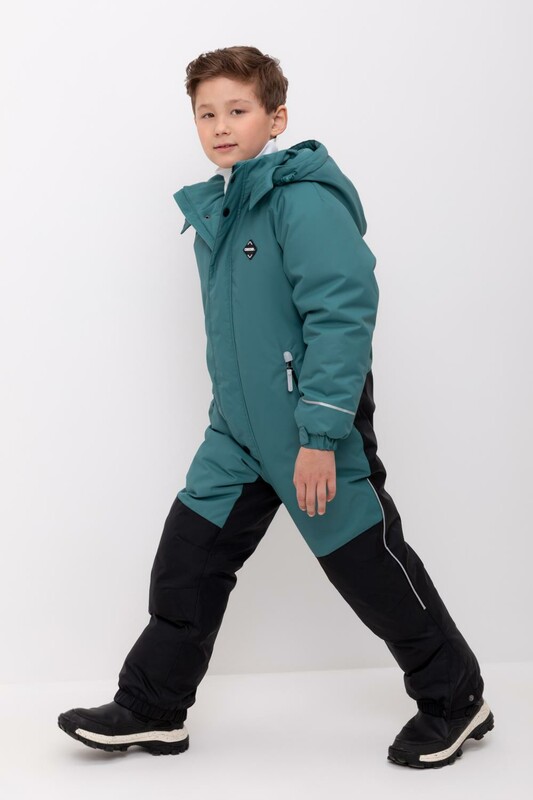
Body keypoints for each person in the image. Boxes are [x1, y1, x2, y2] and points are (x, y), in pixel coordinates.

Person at [58, 45, 493, 768]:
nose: (220, 126)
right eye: (206, 114)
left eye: (237, 110)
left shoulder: (301, 200)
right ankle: (153, 707)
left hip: (311, 427)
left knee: (370, 570)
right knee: (186, 562)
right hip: (236, 433)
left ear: (275, 117)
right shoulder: (222, 209)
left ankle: (455, 700)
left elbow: (341, 314)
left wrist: (320, 435)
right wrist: (233, 417)